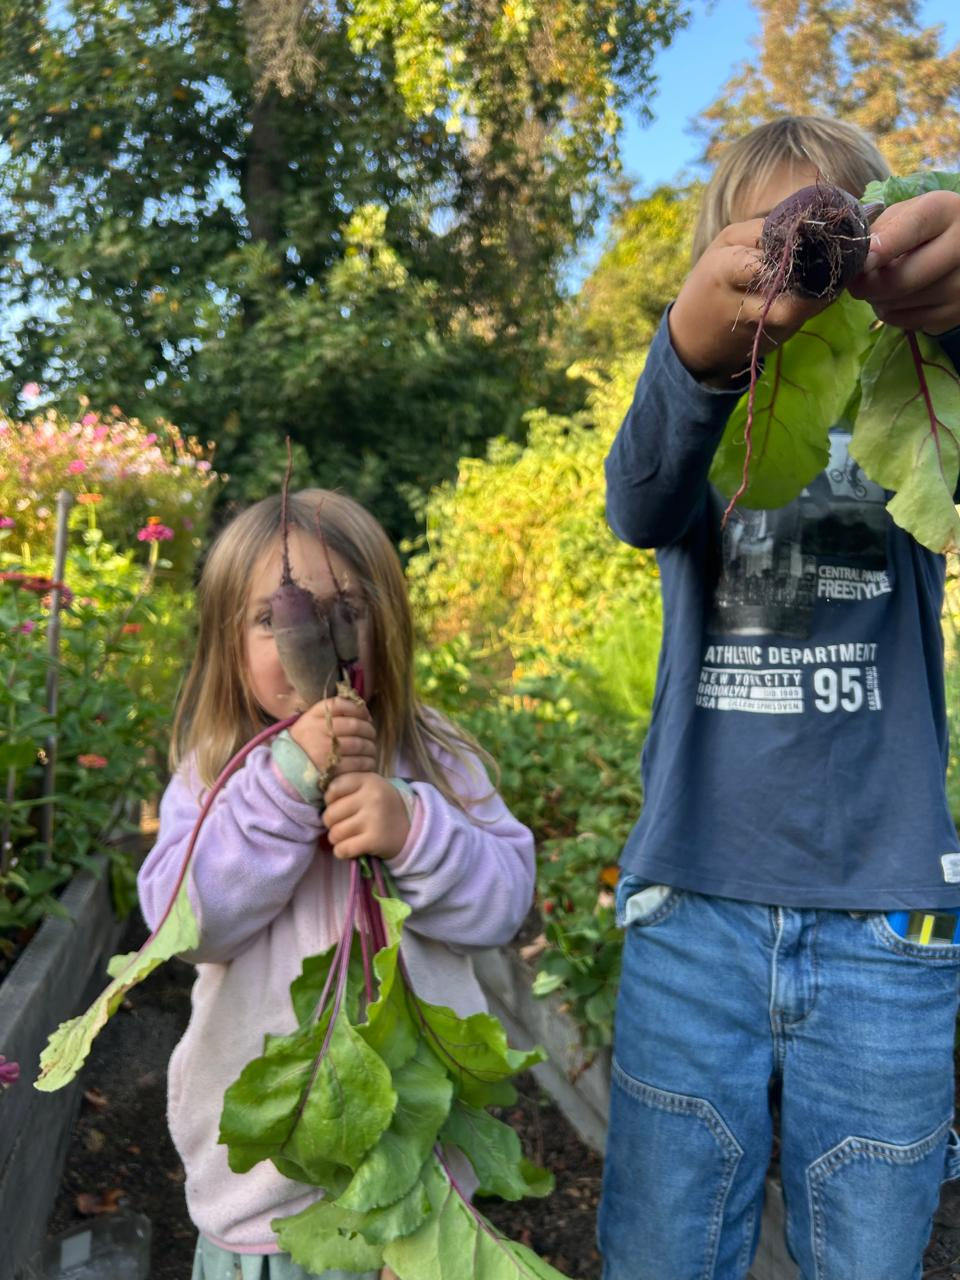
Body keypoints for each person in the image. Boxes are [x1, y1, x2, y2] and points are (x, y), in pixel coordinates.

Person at [597, 116, 960, 1280]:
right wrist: (693, 353)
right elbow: (640, 501)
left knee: (870, 1254)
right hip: (694, 901)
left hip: (885, 918)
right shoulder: (701, 415)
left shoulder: (916, 399)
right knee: (663, 1242)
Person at [137, 488, 536, 1280]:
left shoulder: (437, 759)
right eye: (274, 619)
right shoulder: (214, 775)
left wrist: (413, 828)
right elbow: (183, 925)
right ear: (229, 644)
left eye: (344, 607)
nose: (309, 638)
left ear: (387, 622)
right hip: (265, 1194)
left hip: (416, 1176)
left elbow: (504, 901)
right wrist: (285, 786)